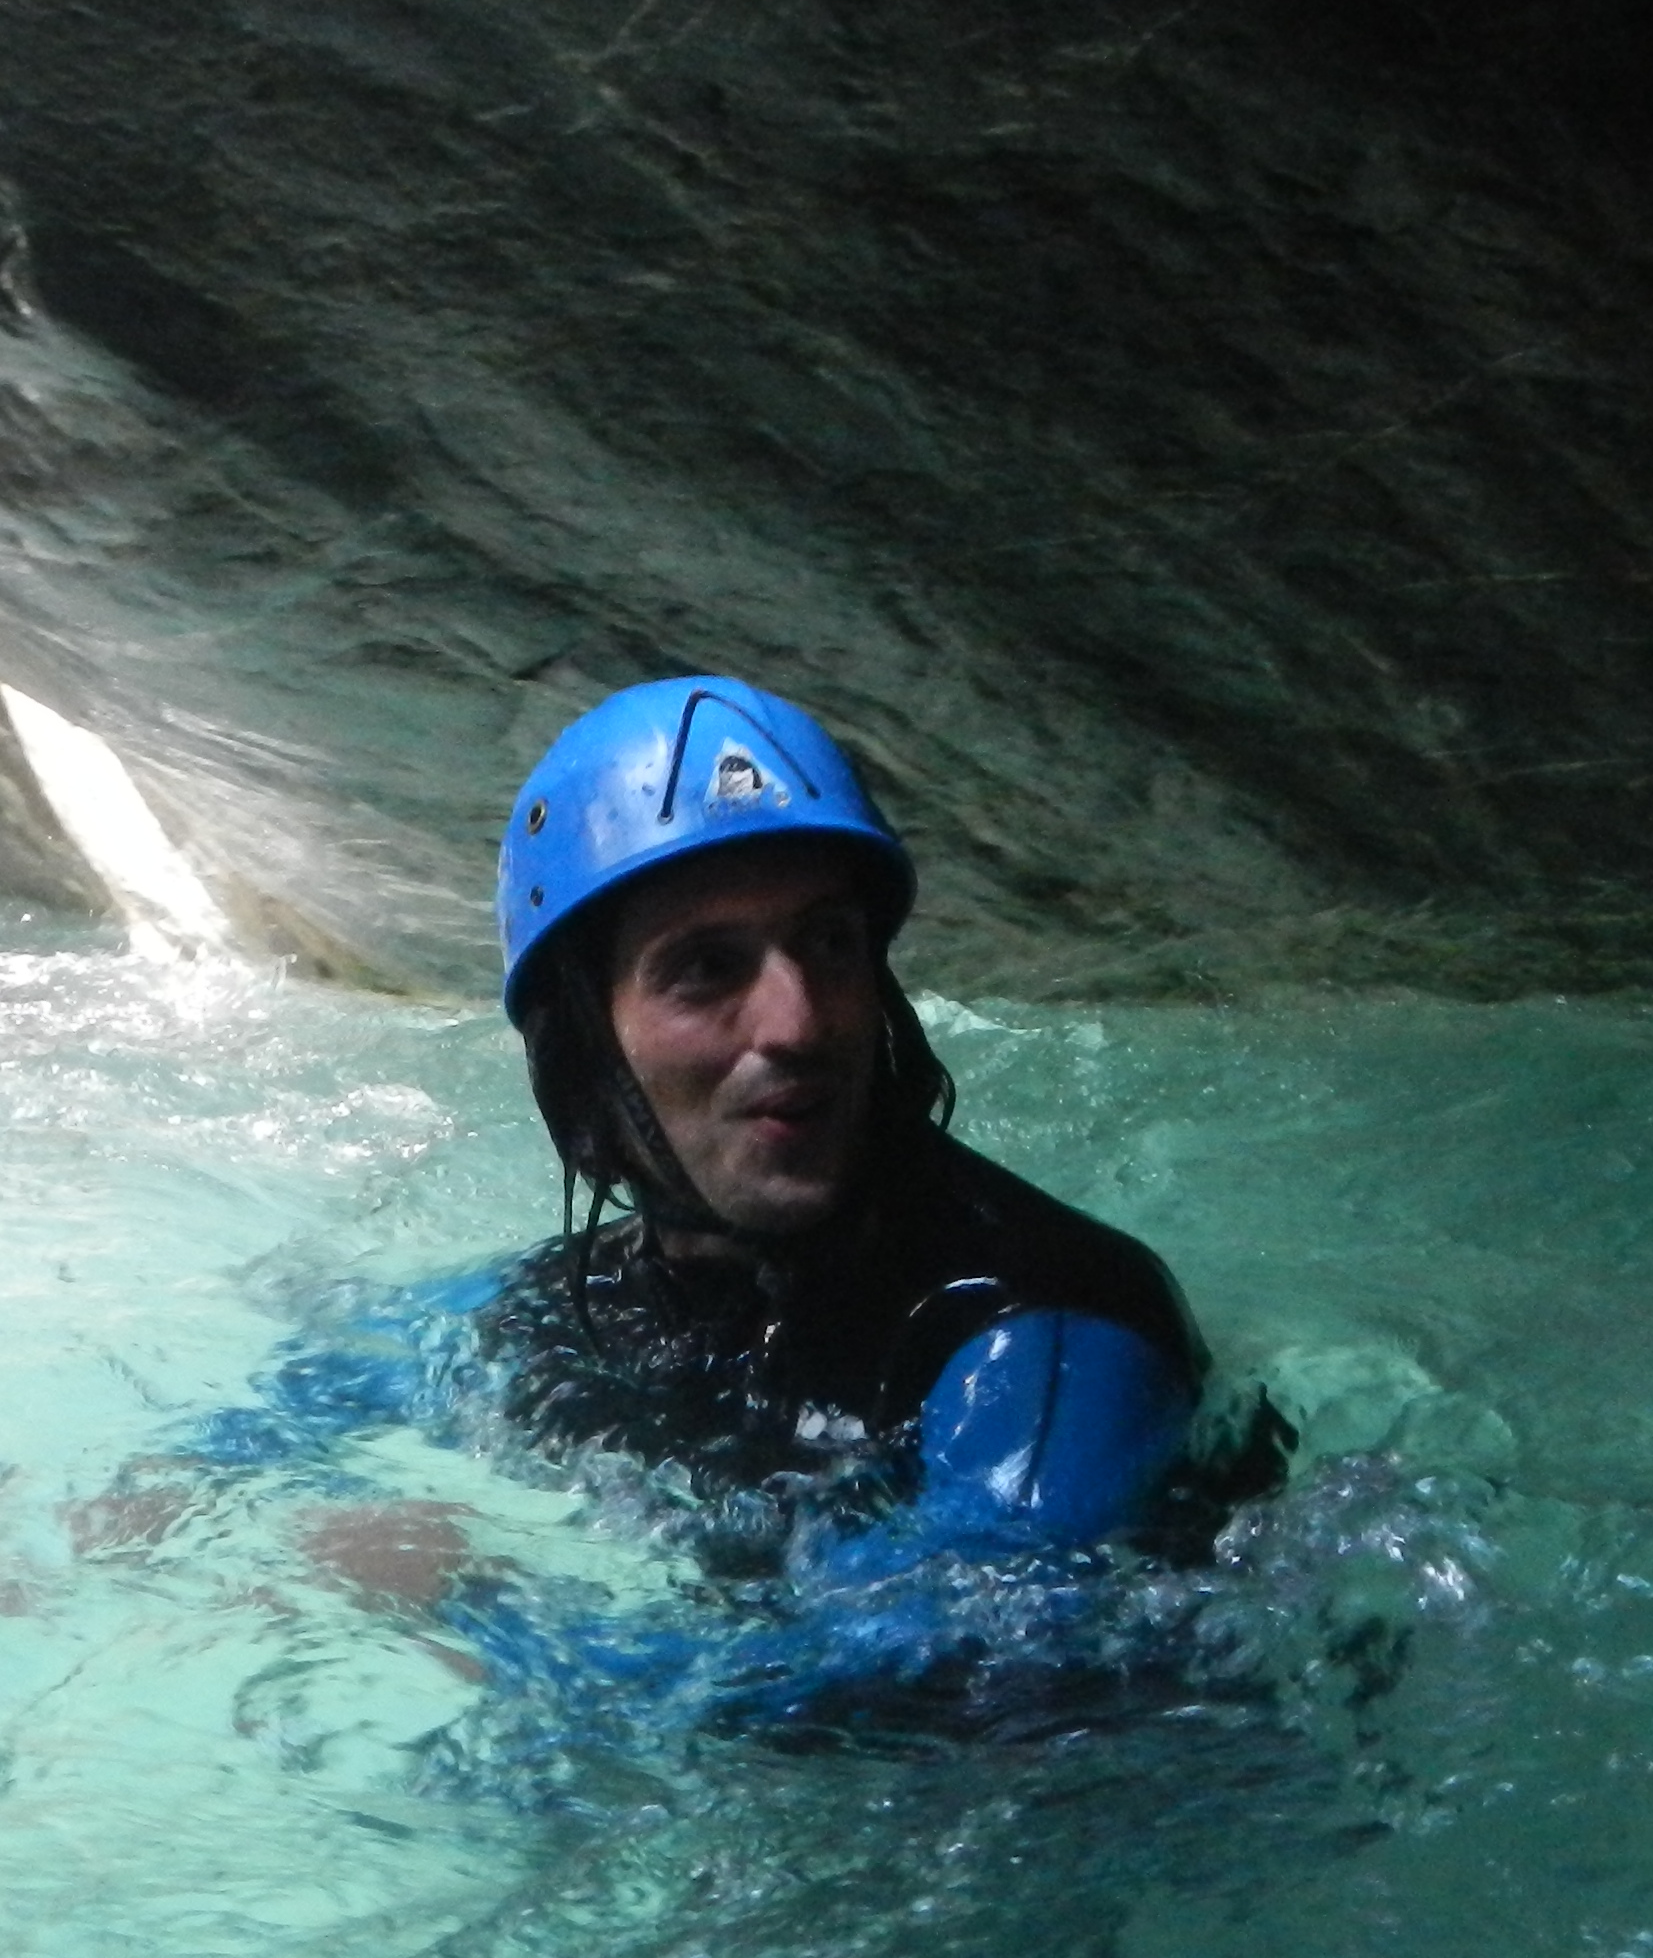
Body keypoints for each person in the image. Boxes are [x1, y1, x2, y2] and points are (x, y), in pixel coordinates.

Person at [127, 675, 1268, 1747]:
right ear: (586, 1045)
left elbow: (962, 1681)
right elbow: (387, 1353)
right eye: (706, 969)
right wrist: (180, 1481)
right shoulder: (619, 1292)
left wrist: (480, 1603)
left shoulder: (1042, 1340)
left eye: (829, 943)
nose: (798, 1020)